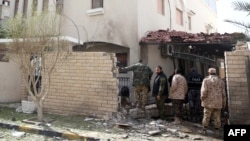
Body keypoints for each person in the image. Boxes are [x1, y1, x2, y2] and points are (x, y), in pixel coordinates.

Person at [200, 68, 226, 134]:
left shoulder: (206, 80)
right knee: (217, 117)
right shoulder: (221, 81)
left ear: (209, 73)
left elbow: (204, 91)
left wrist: (202, 98)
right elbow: (223, 93)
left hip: (208, 102)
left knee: (206, 116)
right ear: (215, 73)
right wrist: (223, 102)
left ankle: (204, 130)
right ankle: (217, 131)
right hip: (218, 102)